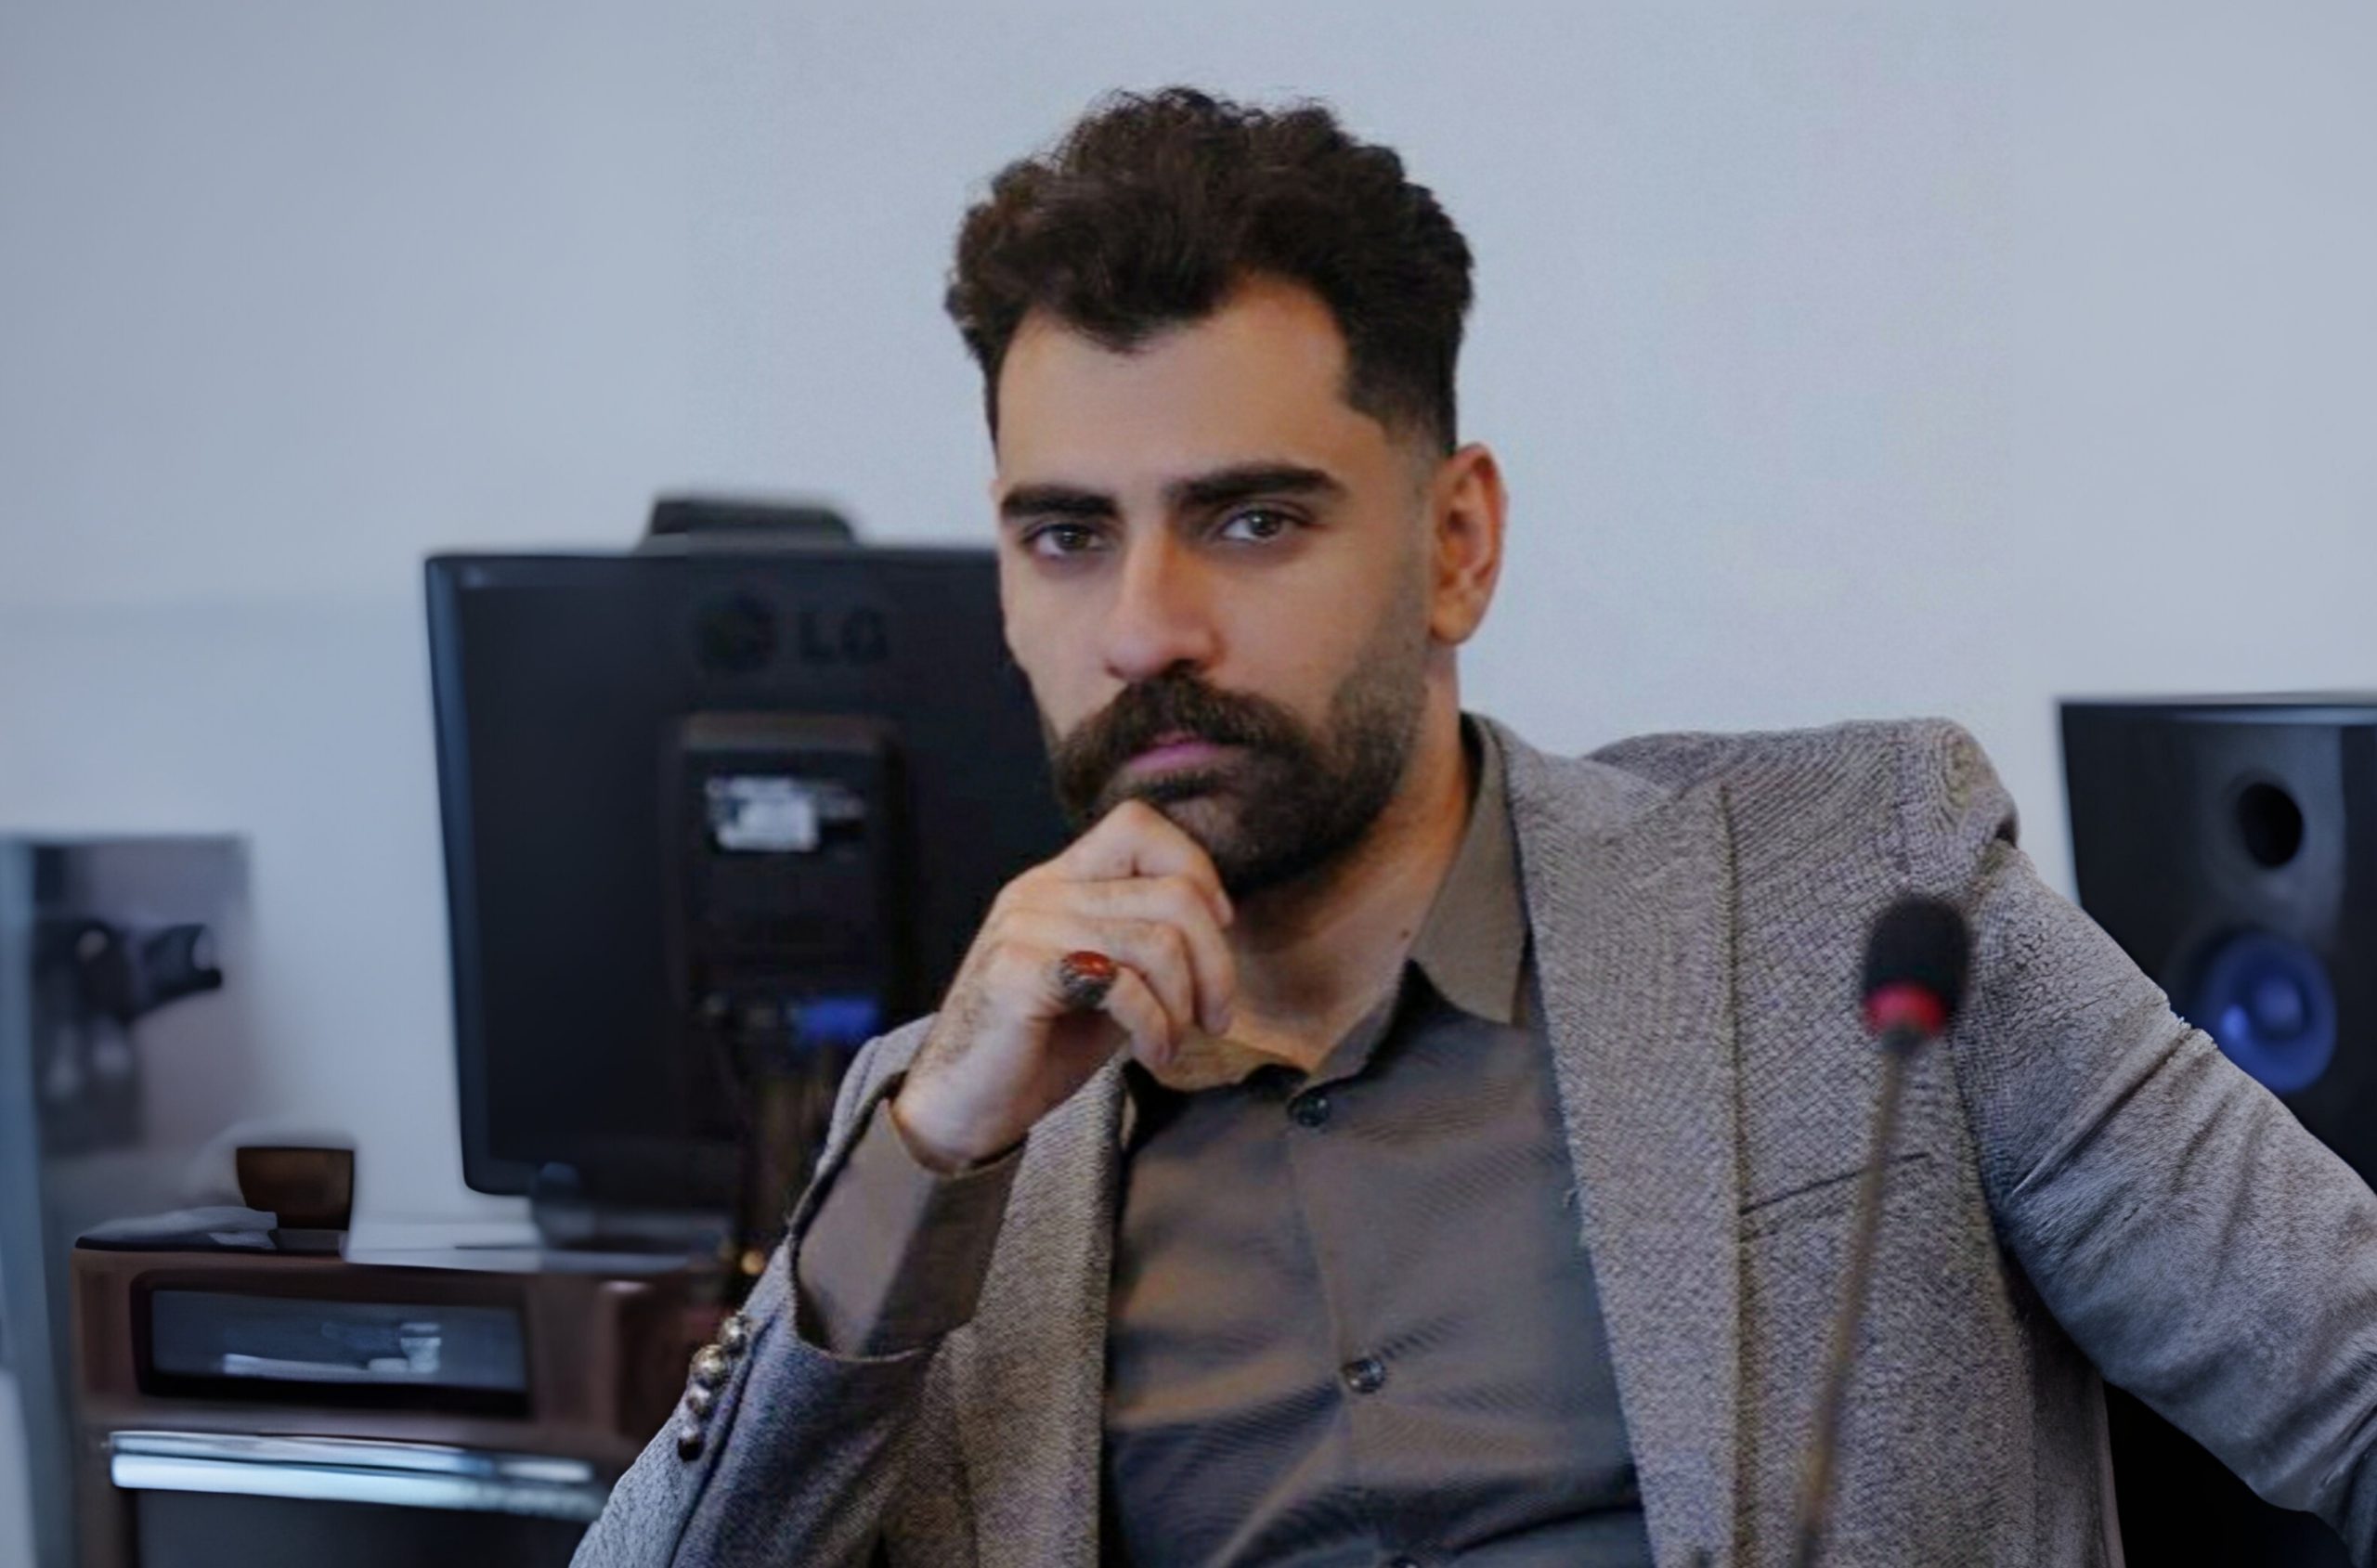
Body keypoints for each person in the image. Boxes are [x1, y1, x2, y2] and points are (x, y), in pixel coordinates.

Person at [573, 88, 2377, 1567]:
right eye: (1066, 535)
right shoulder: (948, 1137)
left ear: (1455, 545)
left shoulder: (1864, 882)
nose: (1143, 627)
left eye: (1251, 521)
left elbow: (2350, 1379)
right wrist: (926, 1154)